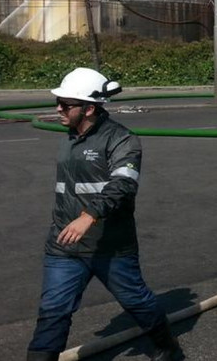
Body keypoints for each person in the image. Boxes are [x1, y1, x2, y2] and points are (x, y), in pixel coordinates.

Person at [28, 68, 181, 361]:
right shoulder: (70, 138)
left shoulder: (122, 140)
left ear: (89, 108)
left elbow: (123, 184)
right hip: (65, 244)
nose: (58, 109)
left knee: (137, 301)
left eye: (66, 104)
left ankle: (167, 346)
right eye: (58, 102)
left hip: (111, 246)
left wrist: (88, 217)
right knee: (53, 311)